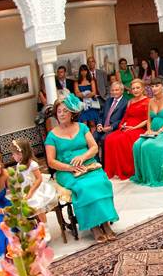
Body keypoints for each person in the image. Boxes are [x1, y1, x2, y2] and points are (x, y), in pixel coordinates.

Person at [45, 95, 119, 242]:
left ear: (72, 113)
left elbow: (94, 147)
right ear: (56, 114)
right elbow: (51, 162)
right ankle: (94, 226)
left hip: (89, 164)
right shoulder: (52, 136)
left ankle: (105, 222)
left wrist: (83, 157)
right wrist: (70, 168)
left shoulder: (82, 127)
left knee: (102, 182)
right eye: (59, 111)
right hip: (66, 171)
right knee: (84, 187)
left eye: (65, 111)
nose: (62, 114)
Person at [131, 78, 163, 187]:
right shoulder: (150, 101)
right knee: (137, 145)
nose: (154, 88)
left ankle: (153, 176)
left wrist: (160, 130)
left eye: (157, 85)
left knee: (147, 145)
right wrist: (149, 130)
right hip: (153, 130)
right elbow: (149, 119)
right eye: (152, 86)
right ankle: (142, 176)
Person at [103, 79, 150, 180]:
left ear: (142, 89)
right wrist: (122, 125)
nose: (135, 90)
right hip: (127, 127)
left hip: (139, 128)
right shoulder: (130, 101)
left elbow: (148, 120)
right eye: (133, 88)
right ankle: (113, 170)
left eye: (138, 88)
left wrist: (134, 127)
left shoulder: (148, 101)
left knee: (121, 140)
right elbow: (125, 116)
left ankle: (127, 169)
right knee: (109, 138)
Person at [11, 139, 57, 232]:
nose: (12, 156)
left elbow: (39, 179)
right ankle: (32, 227)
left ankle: (45, 227)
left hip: (36, 188)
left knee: (37, 202)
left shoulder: (32, 164)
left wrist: (31, 192)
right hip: (25, 189)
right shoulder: (18, 165)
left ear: (21, 154)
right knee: (20, 205)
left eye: (14, 154)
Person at [95, 81, 129, 162]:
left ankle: (105, 164)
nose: (114, 92)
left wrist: (111, 127)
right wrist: (99, 124)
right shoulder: (108, 100)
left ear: (122, 91)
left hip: (114, 129)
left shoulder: (126, 103)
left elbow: (123, 119)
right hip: (102, 128)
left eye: (116, 90)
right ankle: (96, 161)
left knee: (104, 139)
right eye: (112, 90)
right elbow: (101, 114)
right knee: (93, 137)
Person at [75, 64, 101, 129]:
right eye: (82, 71)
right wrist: (87, 94)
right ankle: (85, 139)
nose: (83, 72)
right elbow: (77, 94)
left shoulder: (91, 81)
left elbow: (94, 92)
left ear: (87, 71)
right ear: (80, 72)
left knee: (92, 123)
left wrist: (84, 95)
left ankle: (94, 138)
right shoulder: (76, 82)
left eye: (85, 70)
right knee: (84, 125)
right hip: (82, 105)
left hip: (91, 105)